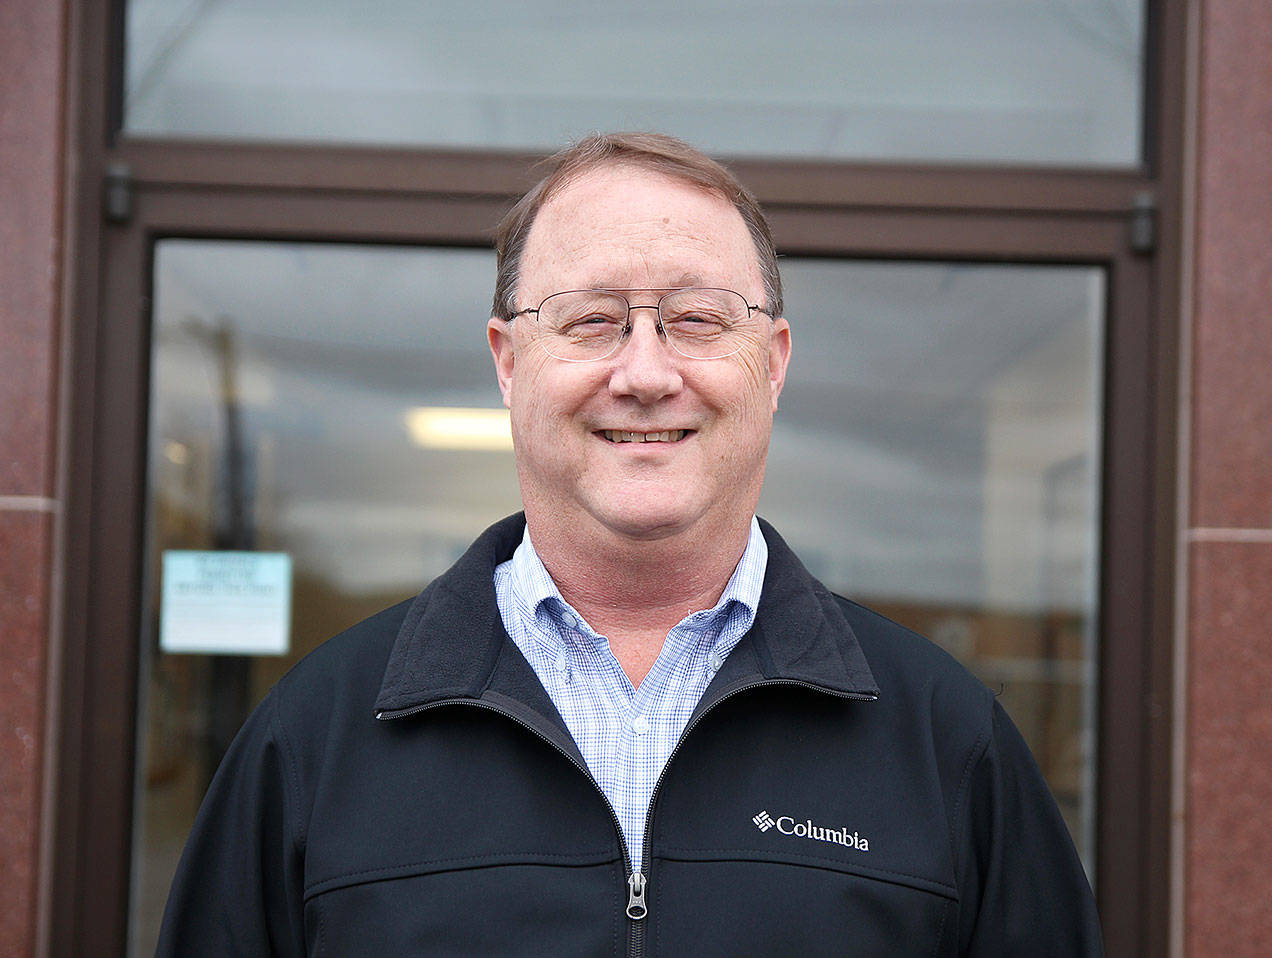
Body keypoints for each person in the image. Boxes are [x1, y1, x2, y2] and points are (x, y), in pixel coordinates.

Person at [158, 132, 1103, 956]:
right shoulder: (312, 738)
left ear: (771, 363)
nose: (645, 372)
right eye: (591, 321)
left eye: (696, 319)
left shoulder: (947, 744)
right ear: (508, 361)